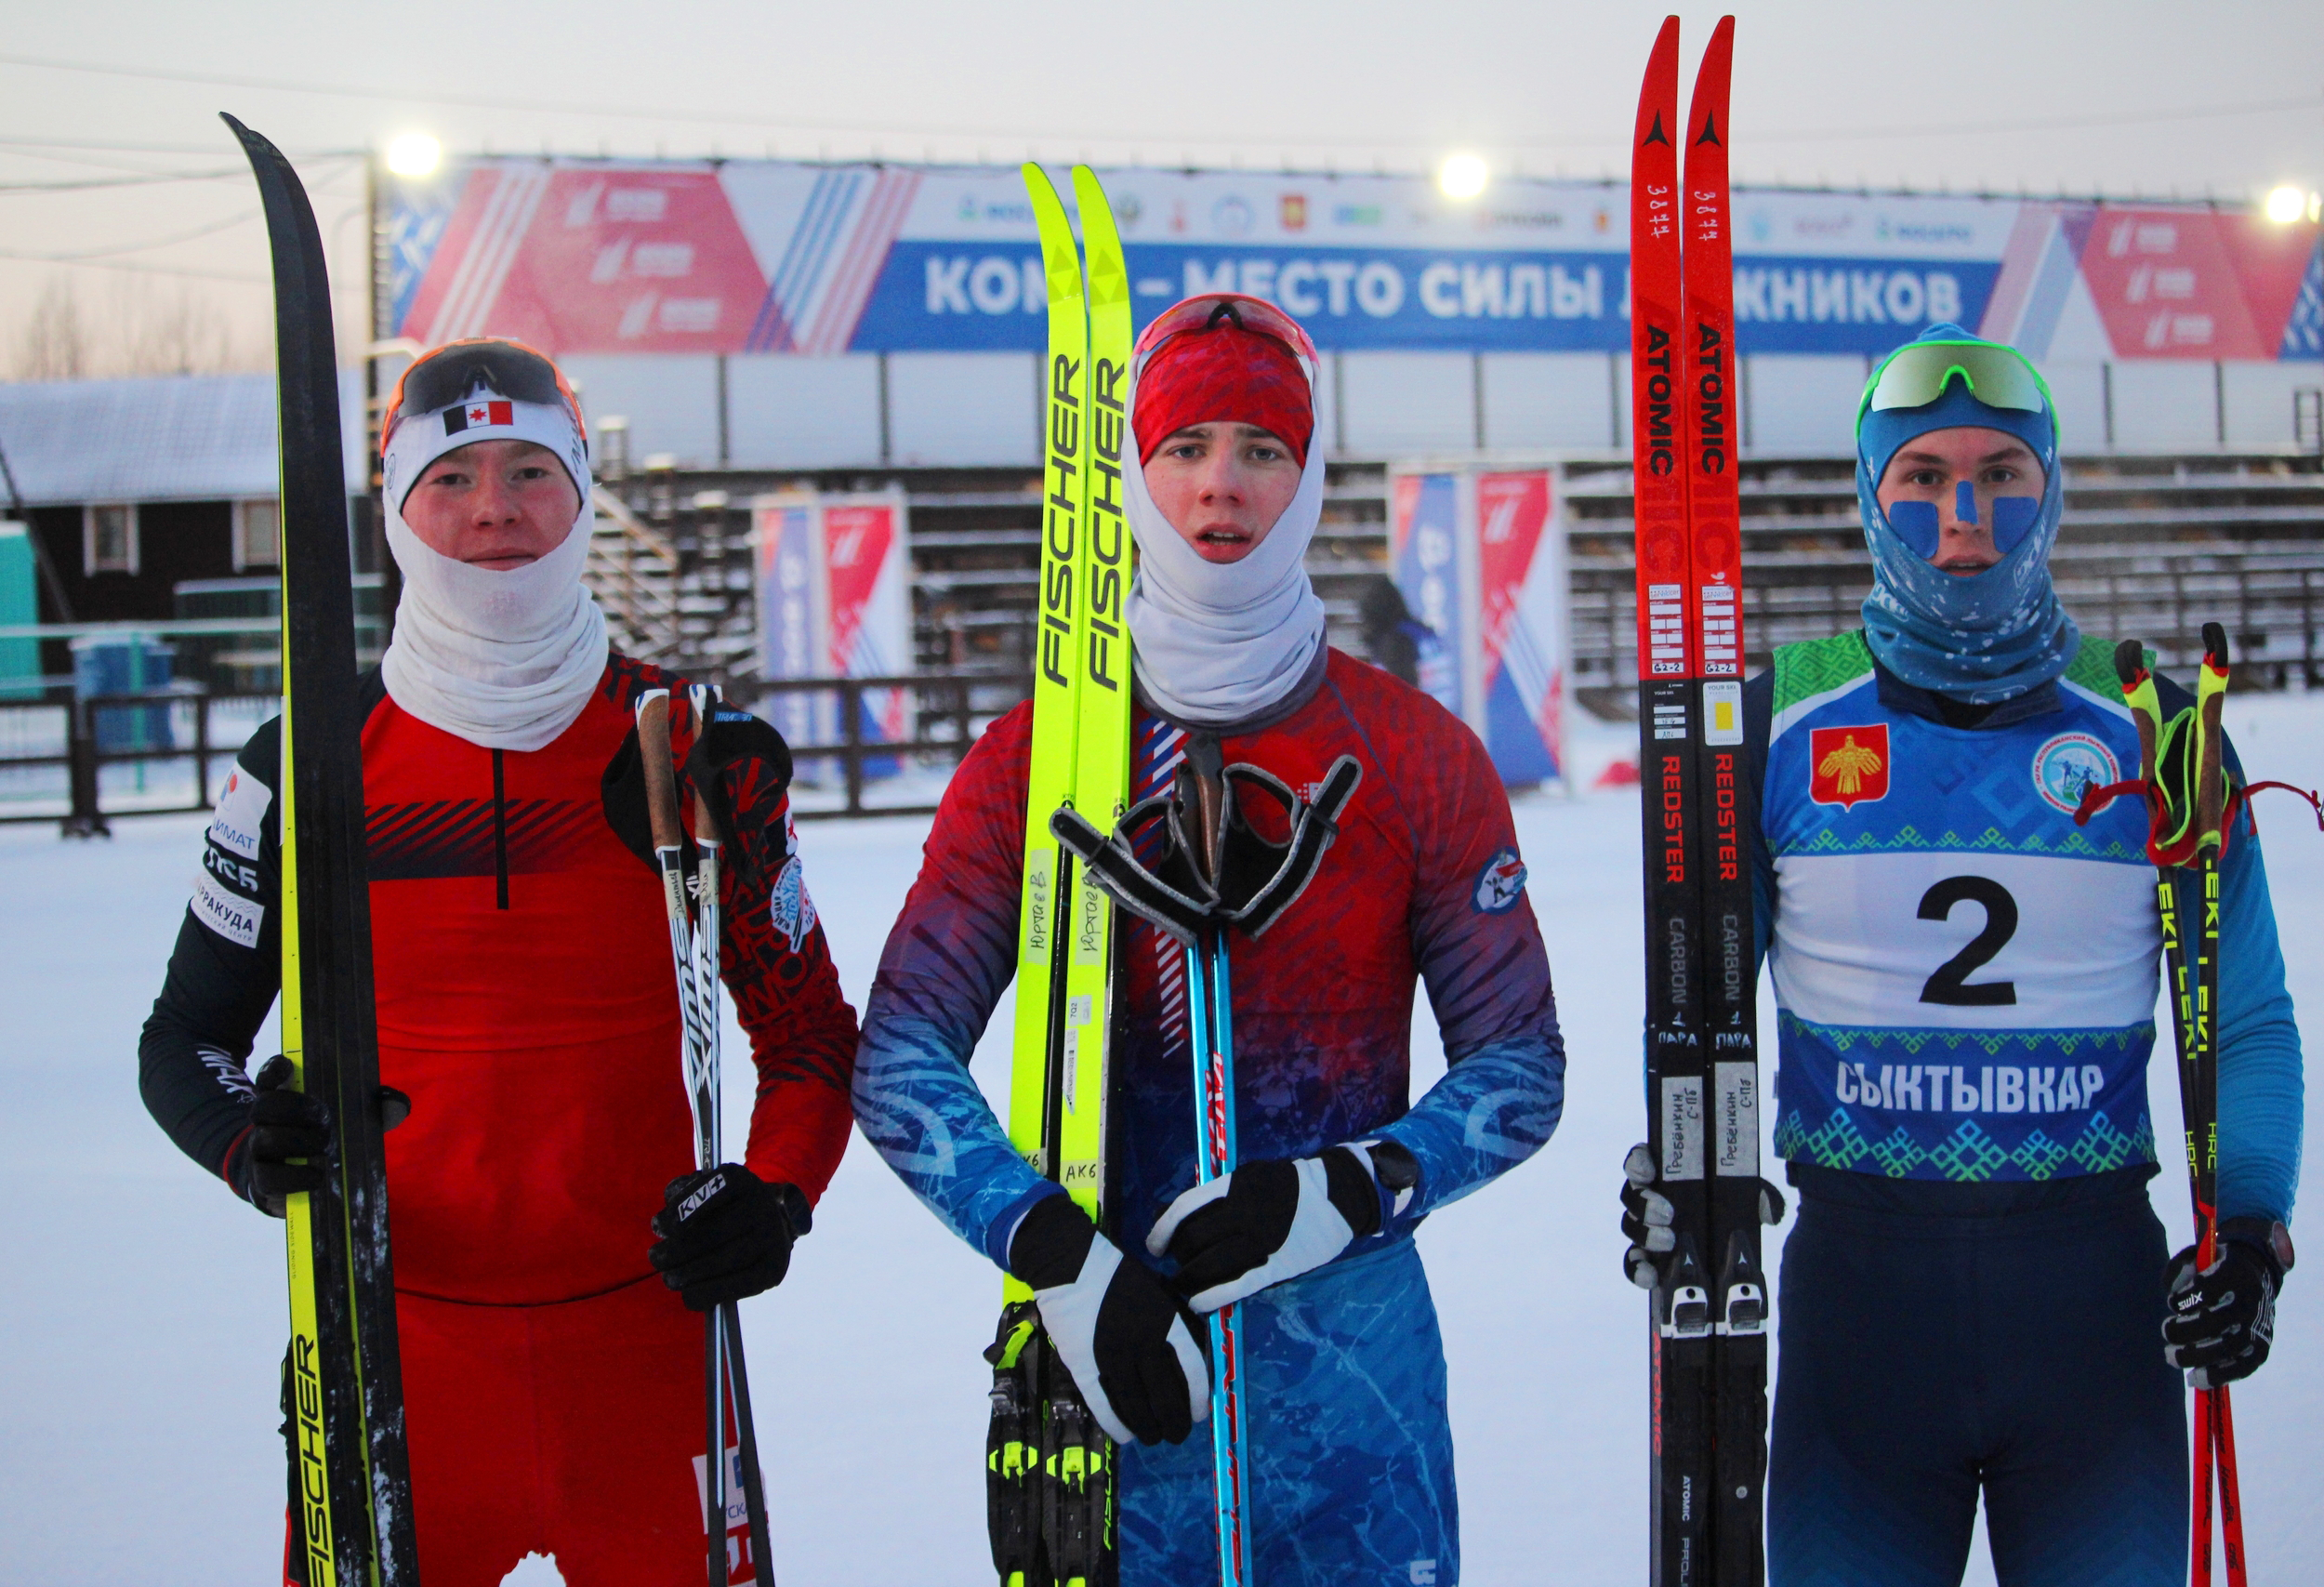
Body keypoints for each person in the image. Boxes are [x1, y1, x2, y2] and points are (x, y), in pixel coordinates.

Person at [852, 293, 1566, 1585]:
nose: (1220, 485)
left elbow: (1519, 1066)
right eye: (1183, 448)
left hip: (1361, 1412)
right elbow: (900, 1050)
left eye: (1261, 449)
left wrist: (1355, 1186)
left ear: (1309, 474)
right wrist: (1051, 1251)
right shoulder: (1039, 760)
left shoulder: (1417, 757)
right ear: (1129, 473)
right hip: (1110, 1390)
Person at [138, 338, 859, 1587]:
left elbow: (808, 1042)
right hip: (391, 1355)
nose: (495, 508)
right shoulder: (302, 763)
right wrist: (253, 1142)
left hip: (650, 1349)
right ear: (396, 511)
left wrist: (777, 1193)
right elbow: (183, 1041)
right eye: (452, 476)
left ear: (582, 492)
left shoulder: (698, 751)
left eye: (532, 469)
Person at [1618, 323, 2302, 1587]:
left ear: (2054, 487)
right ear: (1871, 495)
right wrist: (1680, 1173)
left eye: (2004, 469)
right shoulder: (1778, 723)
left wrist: (2250, 1232)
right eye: (1923, 475)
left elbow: (2247, 1014)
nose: (1966, 510)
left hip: (2093, 1308)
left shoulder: (2154, 725)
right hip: (1860, 1313)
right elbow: (1699, 1003)